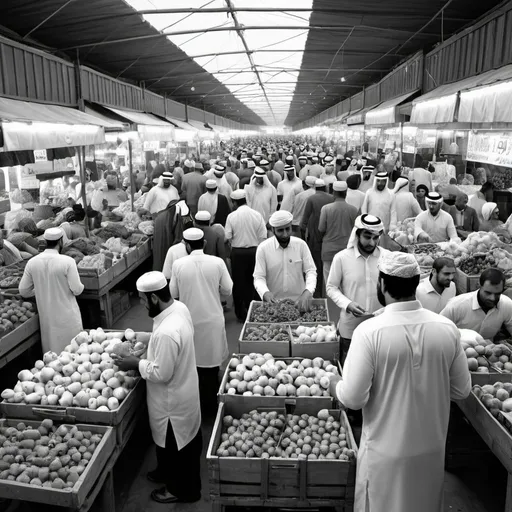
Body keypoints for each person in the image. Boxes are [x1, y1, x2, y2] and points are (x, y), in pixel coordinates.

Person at [329, 251, 471, 512]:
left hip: (385, 456)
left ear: (382, 284)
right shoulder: (446, 328)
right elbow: (461, 390)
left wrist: (335, 384)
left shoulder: (370, 331)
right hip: (430, 451)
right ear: (417, 283)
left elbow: (353, 398)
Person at [112, 271, 202, 504]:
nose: (141, 304)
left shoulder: (166, 332)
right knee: (173, 444)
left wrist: (135, 362)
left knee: (177, 445)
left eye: (142, 300)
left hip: (173, 400)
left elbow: (162, 372)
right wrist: (147, 339)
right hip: (186, 388)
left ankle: (182, 490)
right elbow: (164, 339)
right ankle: (165, 472)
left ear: (153, 298)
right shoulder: (178, 308)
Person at [170, 228, 233, 415]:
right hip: (213, 321)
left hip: (189, 322)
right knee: (212, 367)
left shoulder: (178, 264)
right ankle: (213, 409)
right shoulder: (218, 262)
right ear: (204, 243)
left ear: (187, 245)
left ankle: (196, 409)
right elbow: (228, 291)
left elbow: (173, 294)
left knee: (193, 367)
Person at [326, 215, 386, 362]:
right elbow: (331, 287)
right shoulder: (342, 258)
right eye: (367, 237)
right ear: (357, 234)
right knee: (348, 368)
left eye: (376, 237)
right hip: (350, 327)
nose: (372, 242)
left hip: (379, 325)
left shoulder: (387, 257)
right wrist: (348, 304)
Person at [19, 228, 84, 353]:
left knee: (53, 359)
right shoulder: (68, 261)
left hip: (48, 321)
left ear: (45, 241)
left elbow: (23, 291)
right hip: (68, 318)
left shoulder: (32, 262)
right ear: (60, 241)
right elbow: (77, 290)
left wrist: (41, 290)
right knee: (74, 355)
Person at [254, 210, 316, 308]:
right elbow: (259, 277)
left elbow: (311, 271)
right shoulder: (263, 248)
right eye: (280, 230)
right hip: (274, 304)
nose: (285, 234)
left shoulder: (301, 245)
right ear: (273, 230)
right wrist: (265, 292)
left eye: (288, 229)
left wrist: (308, 291)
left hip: (299, 302)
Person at [225, 189, 267, 322]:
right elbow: (263, 236)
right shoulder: (257, 214)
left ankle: (241, 314)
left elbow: (227, 237)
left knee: (238, 283)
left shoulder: (231, 216)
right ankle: (255, 311)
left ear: (234, 202)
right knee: (254, 281)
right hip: (255, 252)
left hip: (237, 253)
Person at [441, 268, 512, 340]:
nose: (492, 298)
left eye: (497, 294)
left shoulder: (506, 305)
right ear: (478, 286)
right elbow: (439, 329)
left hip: (489, 349)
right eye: (488, 293)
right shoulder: (457, 305)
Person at [318, 181, 358, 288]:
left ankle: (330, 304)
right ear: (345, 193)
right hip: (347, 251)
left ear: (334, 193)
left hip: (328, 250)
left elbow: (321, 229)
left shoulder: (326, 209)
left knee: (329, 283)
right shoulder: (354, 210)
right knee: (344, 282)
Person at [300, 179, 333, 297]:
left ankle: (317, 293)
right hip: (329, 238)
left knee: (316, 267)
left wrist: (303, 238)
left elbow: (304, 221)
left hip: (315, 238)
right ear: (325, 188)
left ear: (315, 188)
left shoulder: (312, 199)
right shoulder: (332, 198)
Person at [153, 199, 183, 271]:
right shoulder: (173, 216)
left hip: (158, 247)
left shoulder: (160, 217)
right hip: (167, 247)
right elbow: (178, 238)